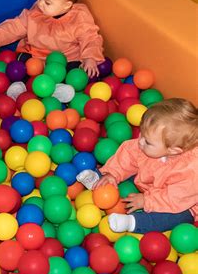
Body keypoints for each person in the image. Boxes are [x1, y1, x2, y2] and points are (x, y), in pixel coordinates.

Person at [0, 0, 105, 102]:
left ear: (66, 5)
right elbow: (16, 26)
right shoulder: (36, 13)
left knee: (76, 71)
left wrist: (90, 57)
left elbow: (90, 37)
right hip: (35, 55)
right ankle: (22, 87)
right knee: (20, 64)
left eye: (47, 2)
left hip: (65, 59)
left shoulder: (79, 18)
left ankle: (57, 89)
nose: (40, 3)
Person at [81, 98, 198, 233]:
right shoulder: (150, 145)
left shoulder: (190, 171)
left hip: (181, 202)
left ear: (173, 150)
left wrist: (146, 201)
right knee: (129, 165)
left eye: (147, 141)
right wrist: (112, 173)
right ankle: (100, 178)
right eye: (142, 132)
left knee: (179, 217)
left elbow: (174, 198)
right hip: (150, 182)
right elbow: (129, 154)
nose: (141, 141)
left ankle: (134, 222)